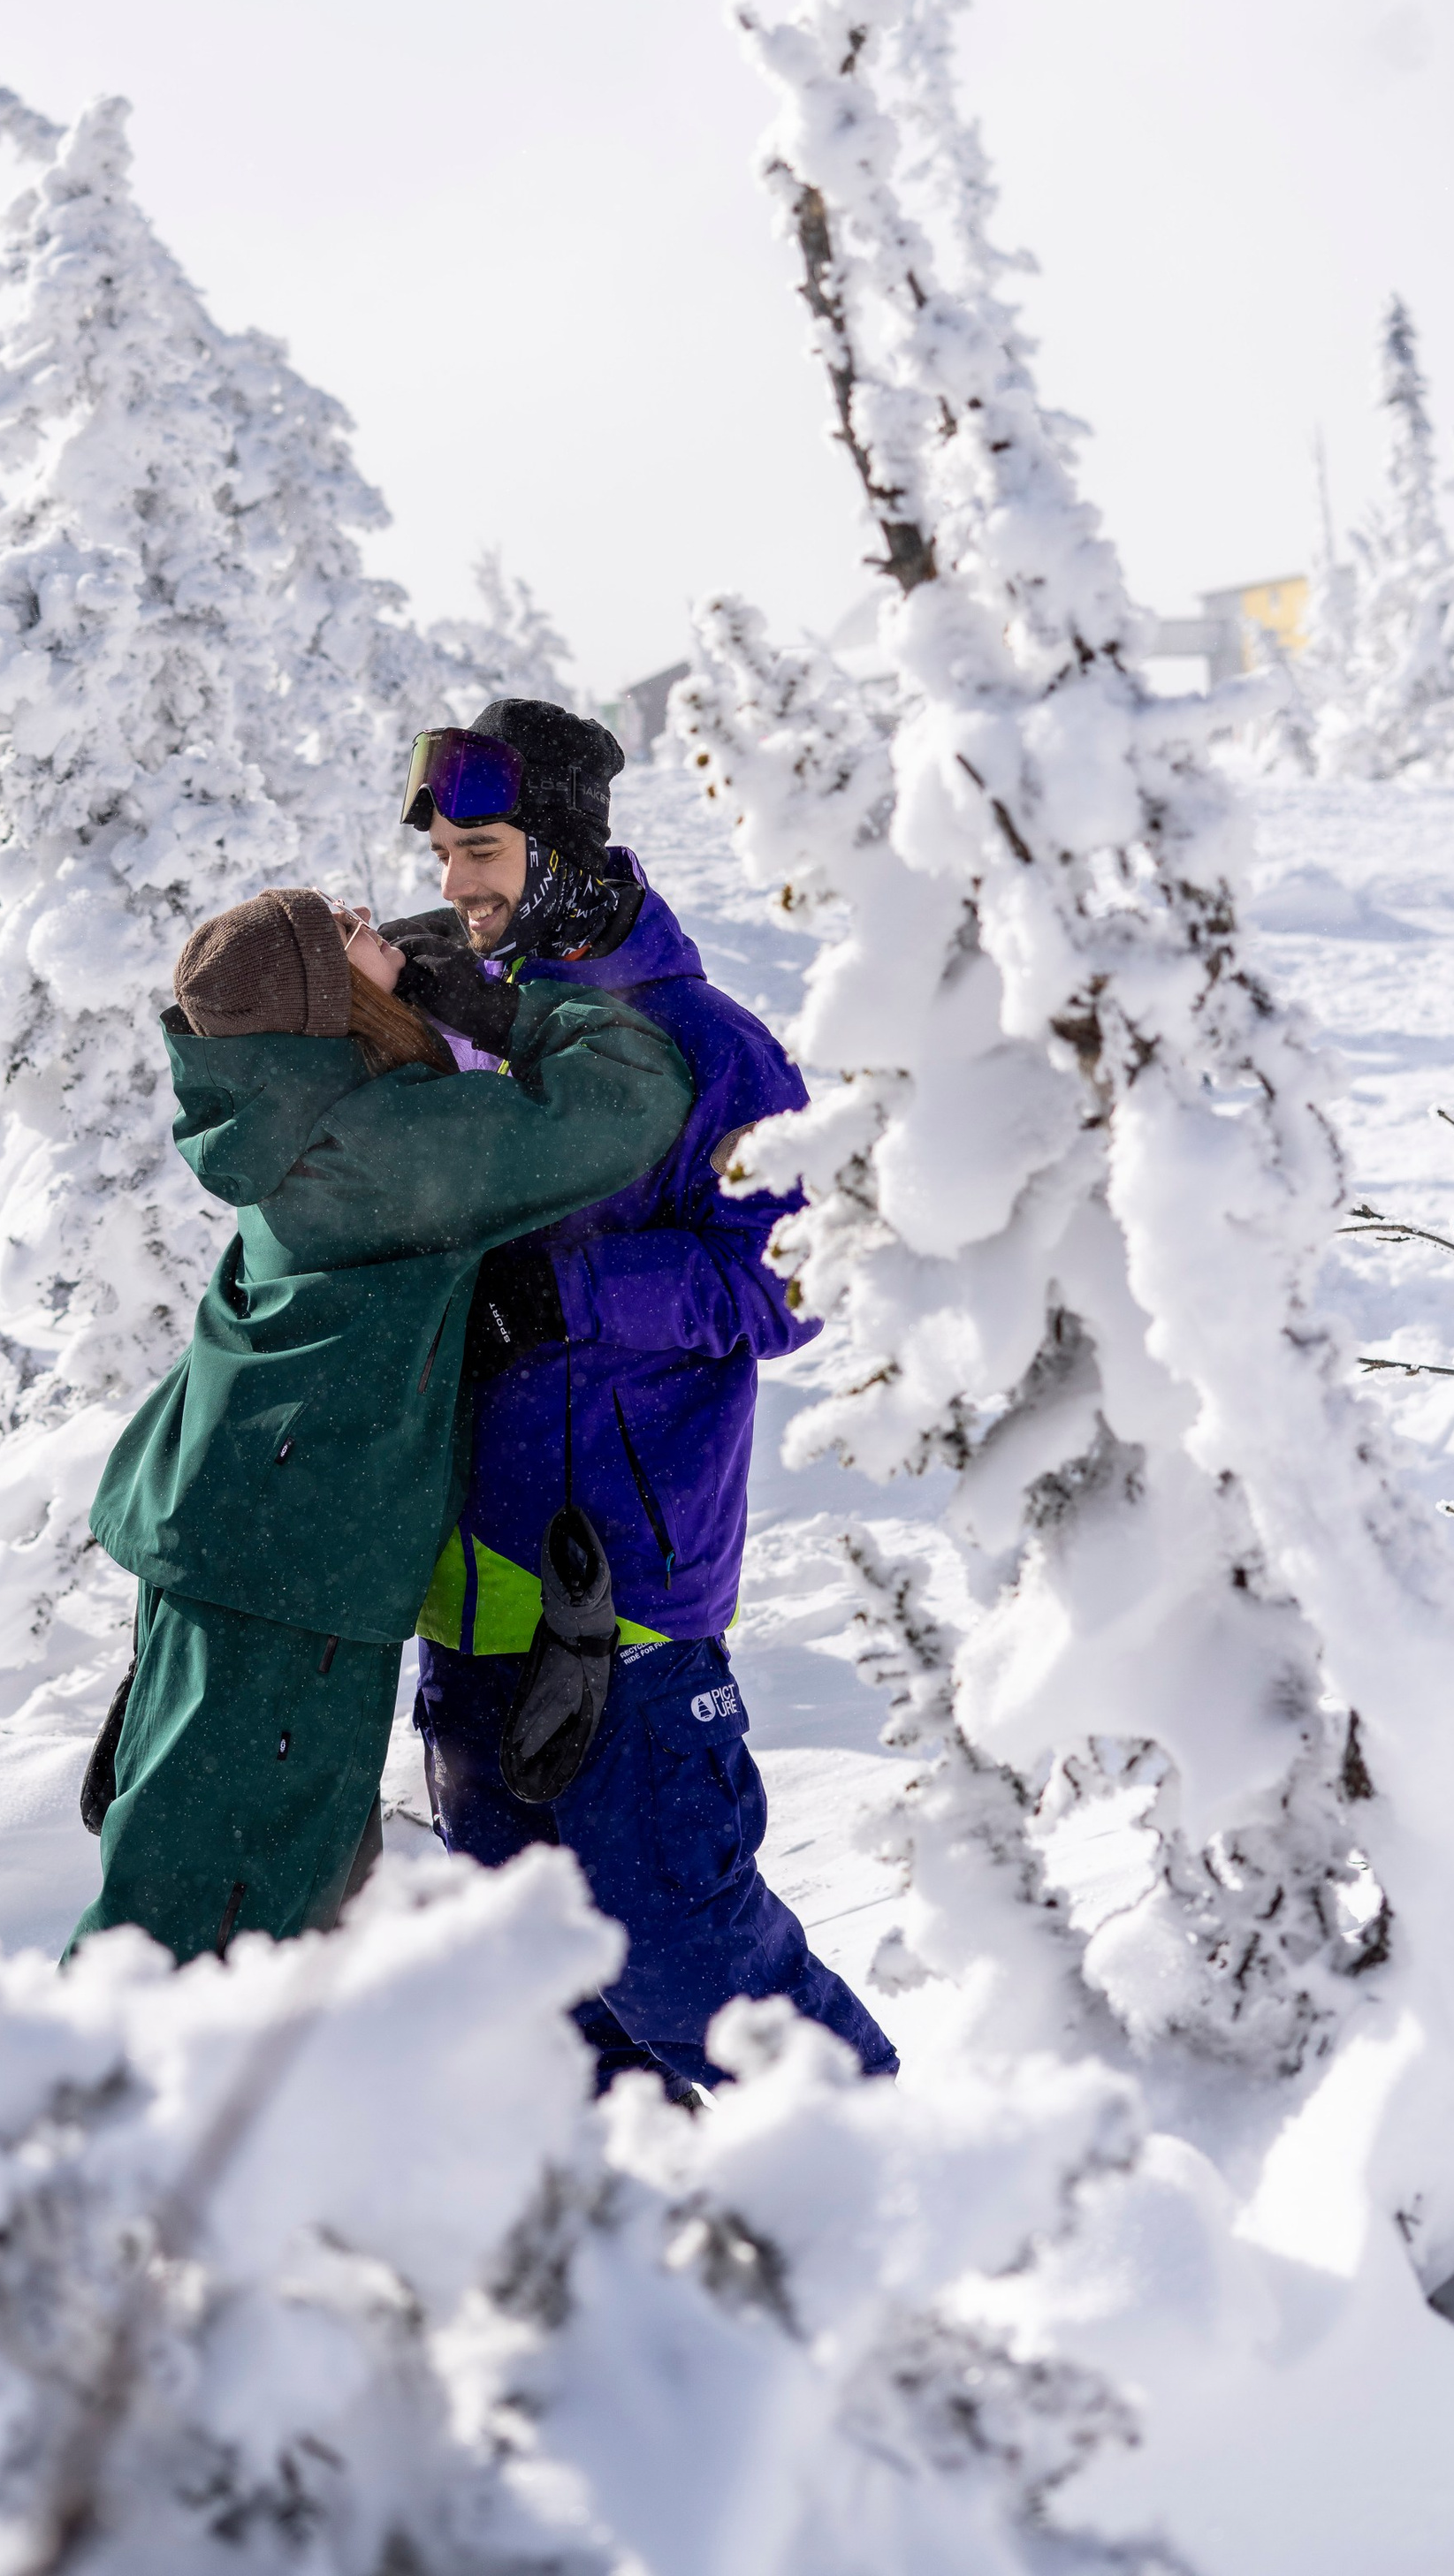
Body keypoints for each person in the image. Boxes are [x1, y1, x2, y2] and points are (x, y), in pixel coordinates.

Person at [382, 698, 898, 2086]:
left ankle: (900, 2178)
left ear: (559, 849)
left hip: (624, 1603)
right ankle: (654, 2218)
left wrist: (574, 1294)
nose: (456, 883)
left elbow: (793, 1279)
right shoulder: (460, 1026)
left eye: (481, 850)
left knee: (690, 1964)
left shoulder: (708, 1045)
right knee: (541, 1998)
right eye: (442, 855)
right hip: (463, 1603)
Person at [69, 881, 694, 1967]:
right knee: (222, 1916)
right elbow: (631, 1097)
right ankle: (88, 2071)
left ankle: (112, 2062)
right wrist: (503, 1009)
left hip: (220, 1529)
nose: (373, 919)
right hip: (291, 1562)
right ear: (325, 1003)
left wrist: (409, 970)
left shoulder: (275, 1109)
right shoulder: (380, 1142)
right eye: (346, 932)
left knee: (254, 1882)